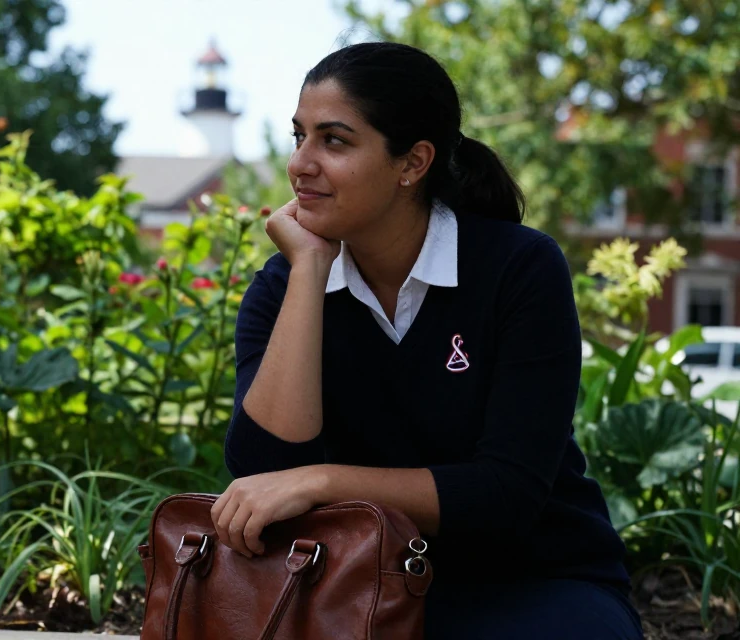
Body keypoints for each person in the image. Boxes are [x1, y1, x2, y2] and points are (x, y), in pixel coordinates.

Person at [213, 42, 642, 639]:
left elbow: (505, 494)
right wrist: (309, 271)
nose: (301, 164)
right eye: (299, 136)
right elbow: (265, 471)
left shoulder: (518, 268)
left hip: (534, 582)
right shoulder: (284, 286)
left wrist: (325, 480)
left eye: (333, 141)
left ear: (412, 163)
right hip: (347, 587)